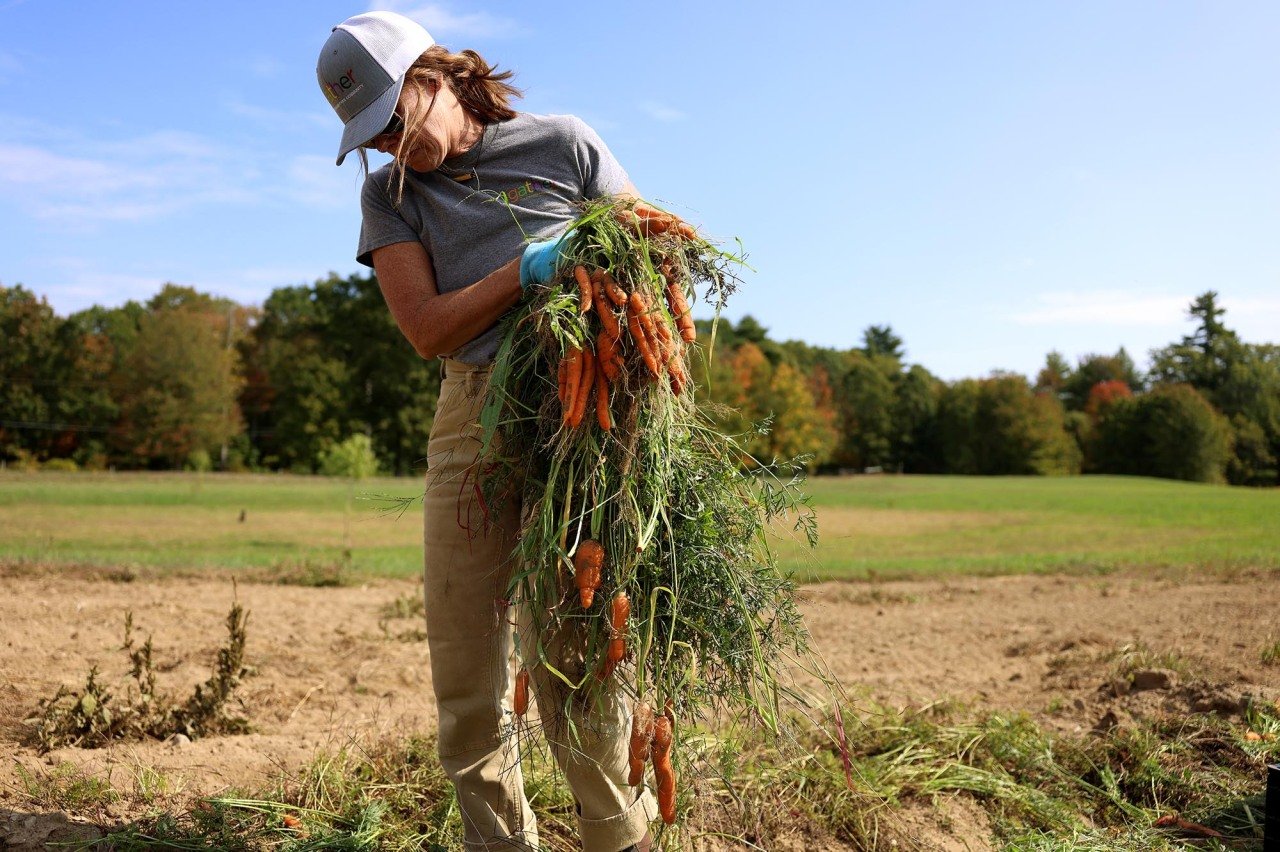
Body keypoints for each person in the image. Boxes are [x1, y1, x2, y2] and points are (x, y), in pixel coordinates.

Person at [316, 12, 657, 851]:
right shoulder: (388, 196)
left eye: (398, 119)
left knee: (576, 659)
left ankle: (622, 839)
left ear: (436, 77)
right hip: (471, 415)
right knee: (467, 669)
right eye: (376, 137)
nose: (396, 145)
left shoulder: (565, 146)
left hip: (580, 418)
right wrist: (525, 269)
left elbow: (648, 254)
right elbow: (428, 329)